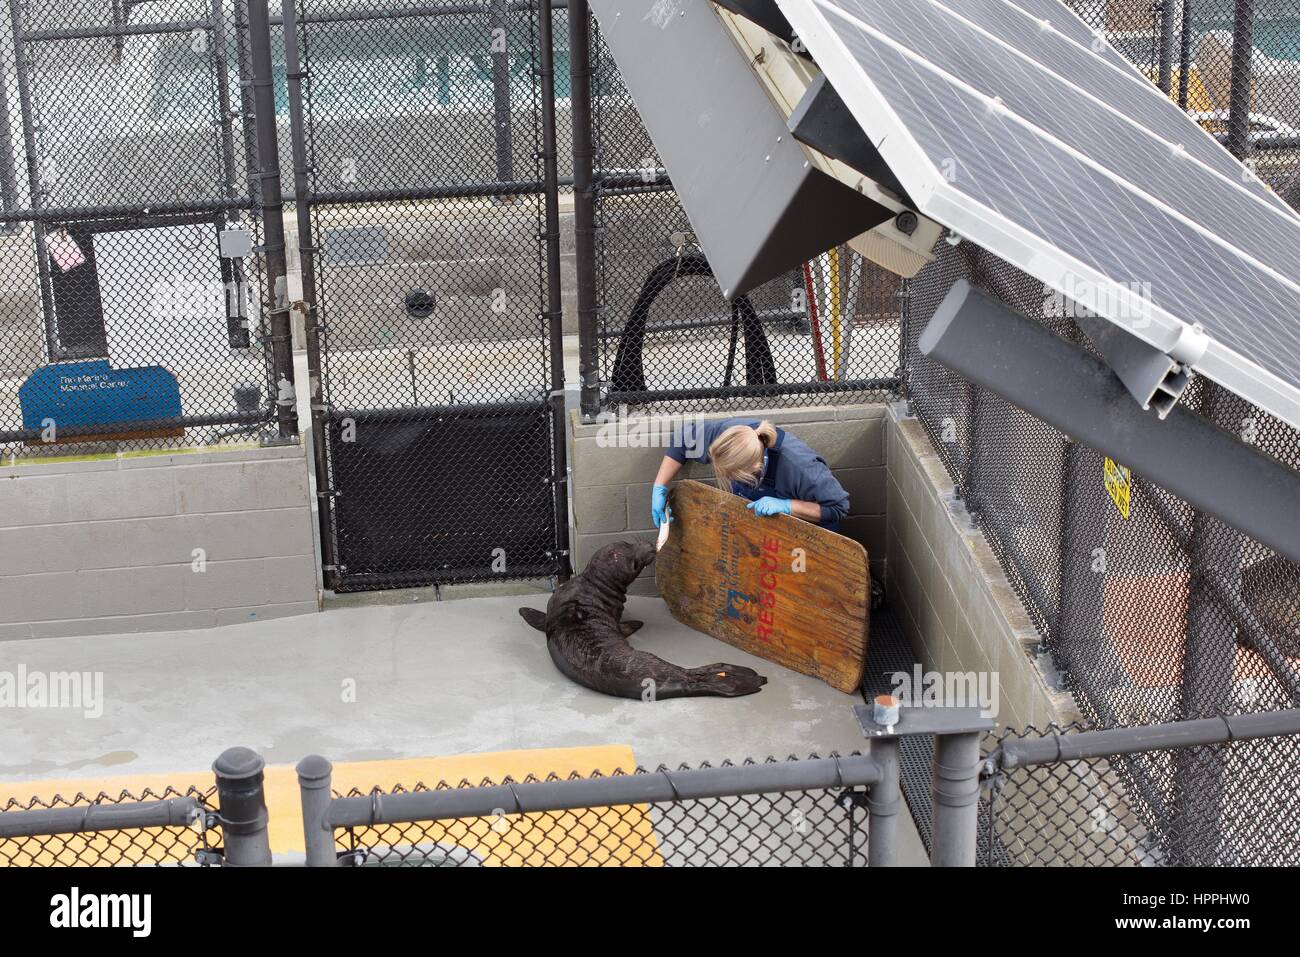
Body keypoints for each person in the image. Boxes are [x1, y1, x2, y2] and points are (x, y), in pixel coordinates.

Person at [650, 418, 850, 531]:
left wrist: (787, 506)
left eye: (729, 473)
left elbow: (839, 508)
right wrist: (659, 487)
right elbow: (683, 439)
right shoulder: (728, 437)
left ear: (752, 469)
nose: (723, 476)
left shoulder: (801, 467)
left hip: (810, 529)